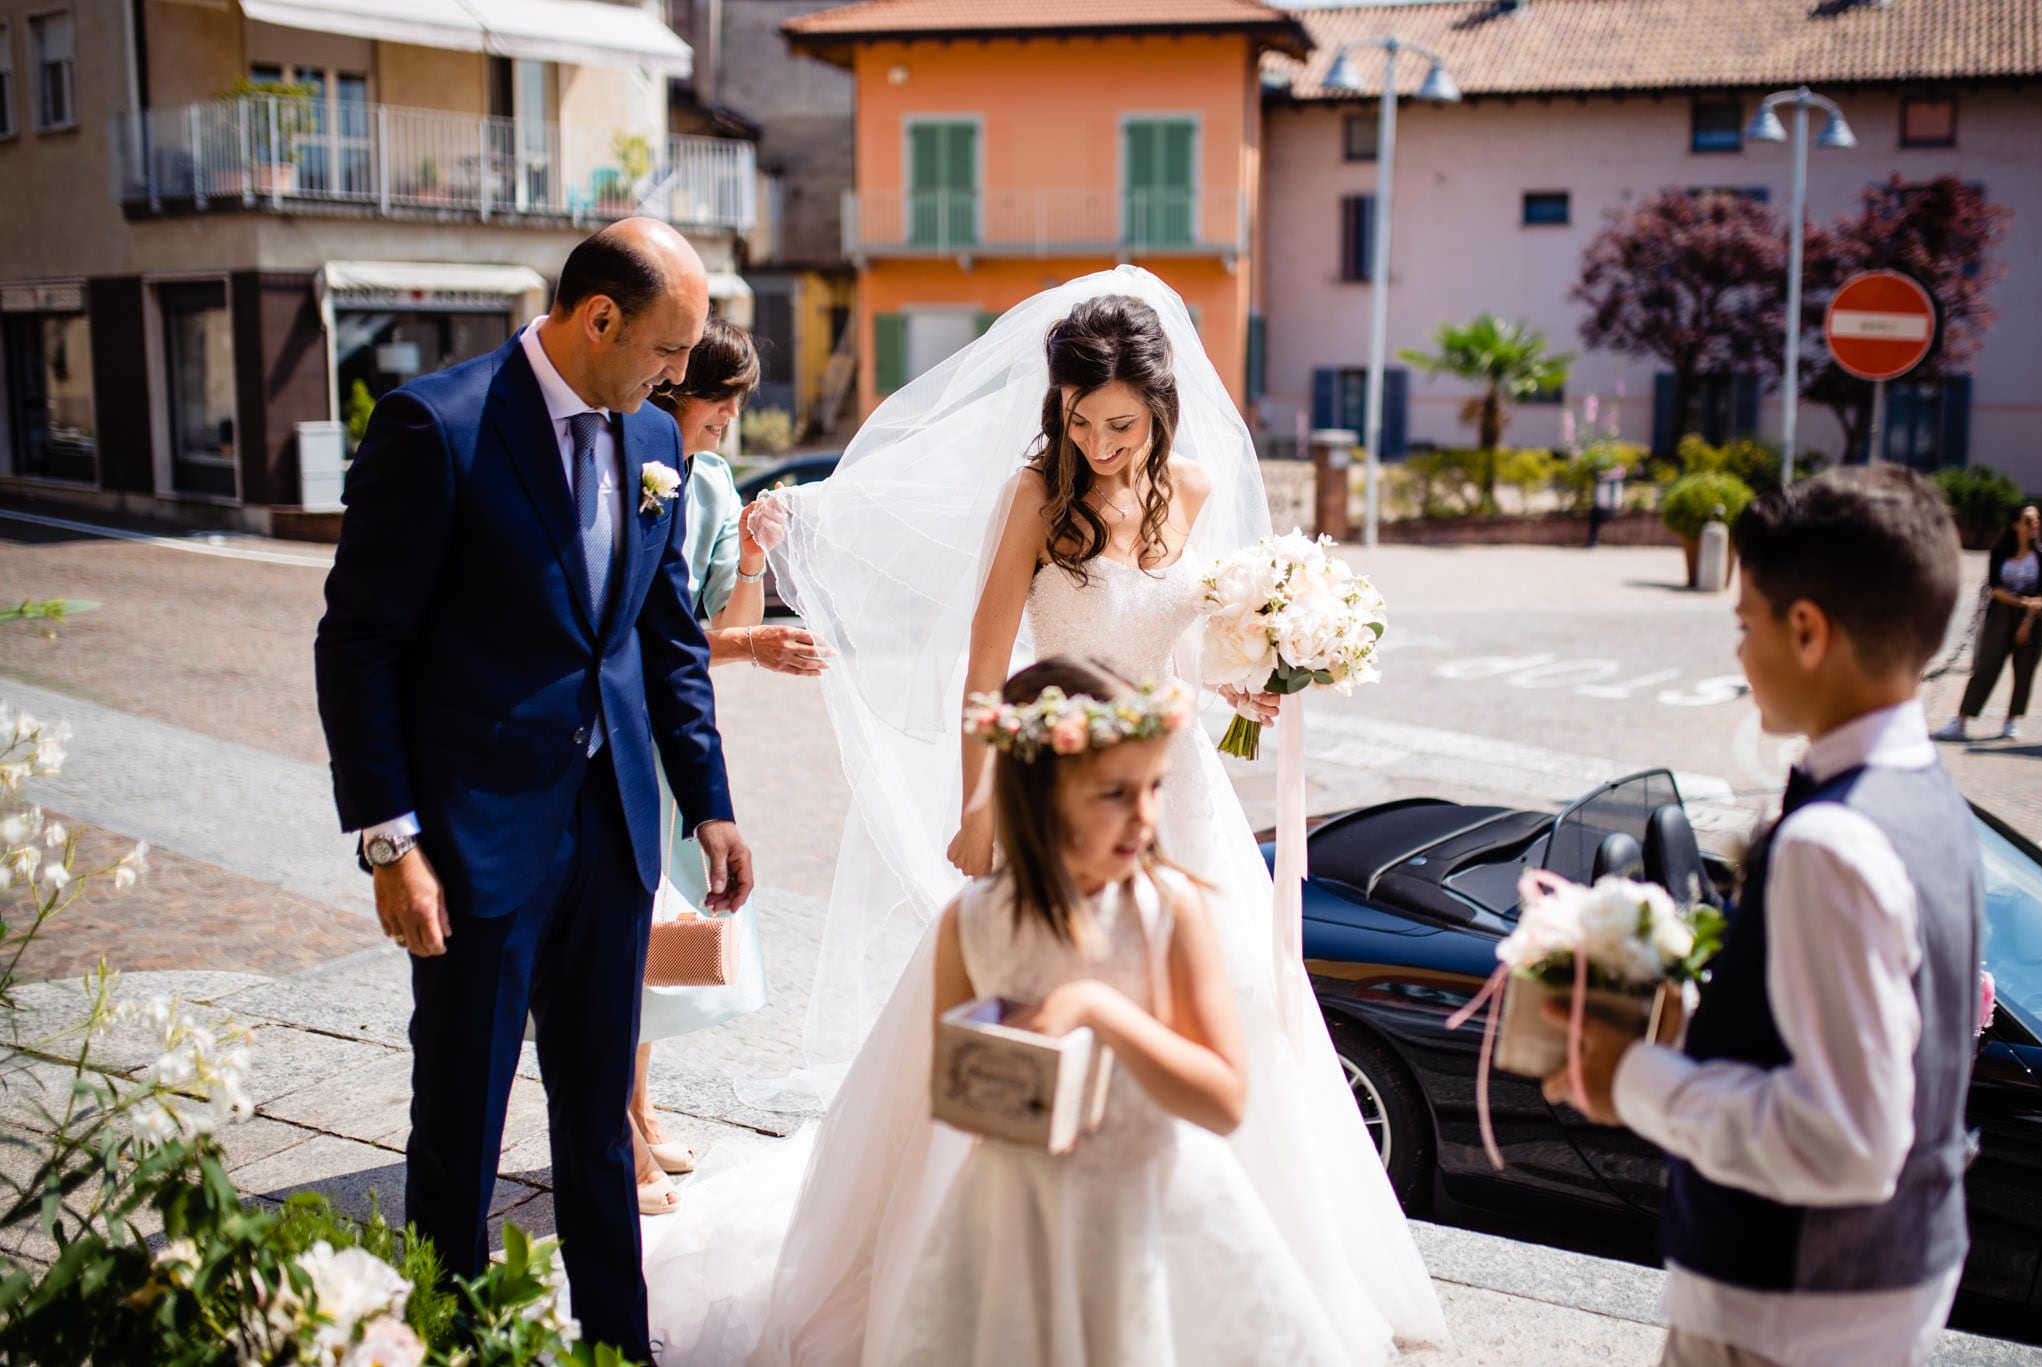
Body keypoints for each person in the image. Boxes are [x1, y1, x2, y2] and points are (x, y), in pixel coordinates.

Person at [640, 268, 1445, 1364]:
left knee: (1237, 1009)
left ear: (1158, 410)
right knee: (1021, 1009)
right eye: (1077, 417)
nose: (1097, 440)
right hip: (1057, 788)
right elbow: (984, 666)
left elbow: (1183, 640)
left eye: (1117, 421)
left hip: (1177, 798)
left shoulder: (1196, 491)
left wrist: (1247, 674)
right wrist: (981, 802)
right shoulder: (1034, 495)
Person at [314, 218, 755, 1363]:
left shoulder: (653, 434)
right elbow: (357, 644)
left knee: (599, 1122)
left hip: (609, 839)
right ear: (596, 315)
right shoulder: (438, 426)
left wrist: (708, 798)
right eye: (666, 347)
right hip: (472, 846)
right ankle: (447, 1344)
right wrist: (388, 841)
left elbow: (664, 643)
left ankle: (619, 1343)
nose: (678, 376)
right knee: (458, 1120)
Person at [1549, 465, 1983, 1367]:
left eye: (1746, 625)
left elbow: (1847, 1142)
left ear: (1808, 629)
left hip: (1787, 1309)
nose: (1739, 655)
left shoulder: (1834, 842)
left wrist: (1629, 1075)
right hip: (1879, 1287)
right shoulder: (1934, 803)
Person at [887, 656, 1367, 1366]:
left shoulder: (1165, 910)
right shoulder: (972, 921)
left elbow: (1225, 1099)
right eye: (1115, 792)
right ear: (1039, 793)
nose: (1145, 816)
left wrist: (1101, 1011)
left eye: (1153, 788)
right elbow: (954, 1092)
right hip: (1018, 1214)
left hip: (1147, 1205)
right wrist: (1014, 1069)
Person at [630, 319, 828, 1215]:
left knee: (660, 923)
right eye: (722, 401)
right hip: (616, 726)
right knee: (625, 924)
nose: (731, 421)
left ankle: (636, 1100)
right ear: (672, 386)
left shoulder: (706, 479)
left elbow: (716, 627)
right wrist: (752, 640)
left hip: (677, 735)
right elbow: (654, 632)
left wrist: (750, 555)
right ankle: (615, 1123)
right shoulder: (623, 460)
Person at [1933, 501, 2042, 743]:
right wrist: (2023, 603)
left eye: (2036, 521)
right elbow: (1996, 588)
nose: (2033, 526)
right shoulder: (2000, 552)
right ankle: (1962, 720)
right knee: (1986, 667)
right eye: (2028, 521)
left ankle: (2012, 720)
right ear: (2015, 524)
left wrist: (2028, 618)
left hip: (2033, 619)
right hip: (2002, 615)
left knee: (2024, 671)